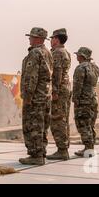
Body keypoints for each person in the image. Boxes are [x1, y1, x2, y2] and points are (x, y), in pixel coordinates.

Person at [19, 27, 53, 165]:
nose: (29, 39)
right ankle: (41, 152)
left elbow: (31, 77)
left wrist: (27, 97)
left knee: (32, 126)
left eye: (31, 37)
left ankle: (36, 155)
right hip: (45, 96)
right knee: (42, 126)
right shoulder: (47, 53)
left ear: (38, 38)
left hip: (35, 97)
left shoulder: (35, 53)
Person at [46, 28, 72, 160]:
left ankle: (62, 150)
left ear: (56, 39)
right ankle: (64, 148)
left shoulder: (57, 53)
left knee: (57, 119)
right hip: (66, 88)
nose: (50, 41)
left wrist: (54, 91)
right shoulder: (66, 52)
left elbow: (56, 73)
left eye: (52, 38)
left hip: (59, 89)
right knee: (63, 119)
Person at [72, 47, 99, 157]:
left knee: (83, 123)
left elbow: (77, 86)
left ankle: (88, 149)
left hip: (84, 100)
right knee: (91, 124)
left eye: (78, 54)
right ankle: (90, 147)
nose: (76, 56)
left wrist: (76, 99)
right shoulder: (95, 67)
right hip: (93, 98)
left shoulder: (80, 68)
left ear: (82, 56)